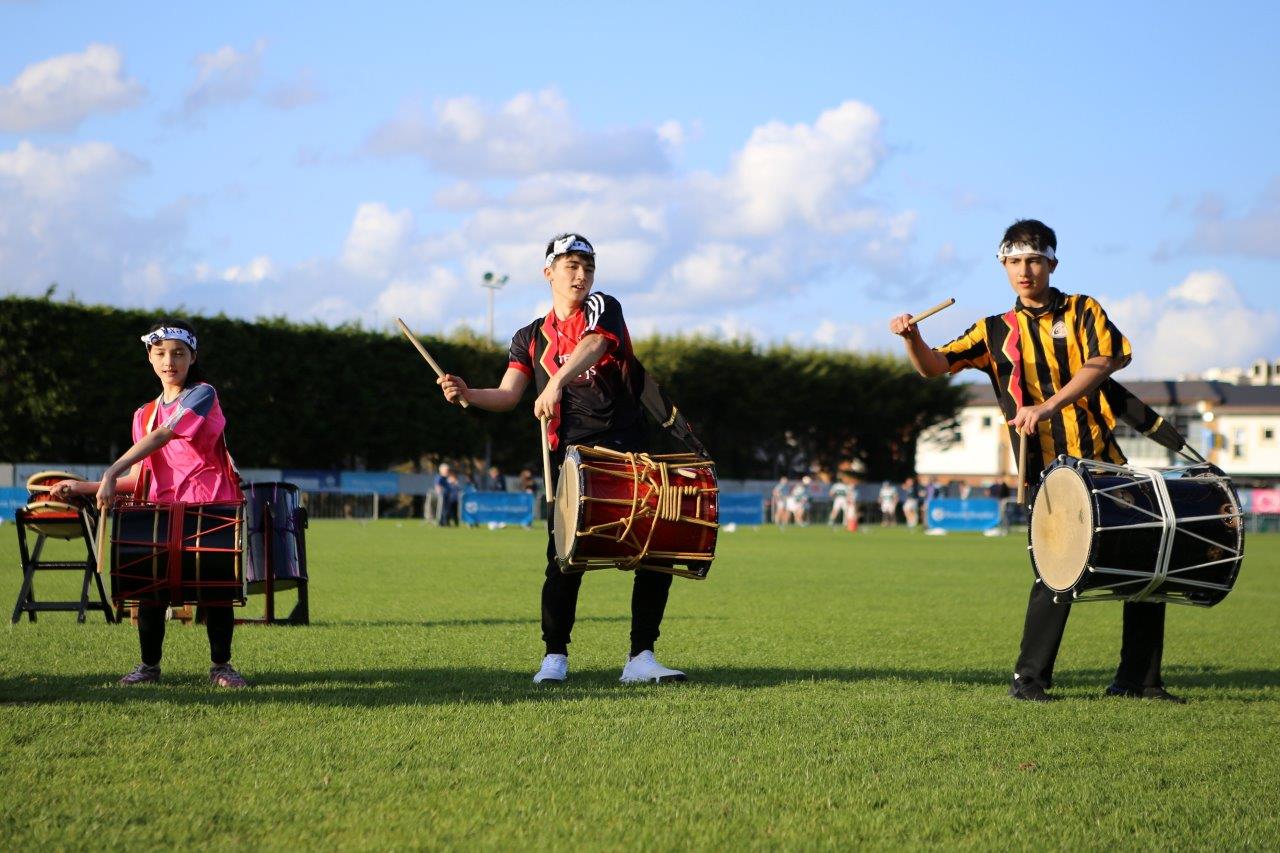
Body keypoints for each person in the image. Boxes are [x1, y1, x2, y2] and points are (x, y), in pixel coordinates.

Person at [889, 218, 1181, 703]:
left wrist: (1048, 405)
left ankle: (1138, 680)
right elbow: (934, 367)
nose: (1025, 270)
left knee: (1146, 563)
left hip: (1104, 461)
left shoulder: (1084, 310)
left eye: (1035, 260)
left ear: (1051, 264)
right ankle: (1030, 681)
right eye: (1016, 261)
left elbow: (1103, 362)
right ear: (1003, 265)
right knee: (1057, 571)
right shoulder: (993, 330)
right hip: (1045, 470)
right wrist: (911, 339)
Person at [436, 233, 706, 685]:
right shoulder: (528, 337)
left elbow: (596, 345)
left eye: (588, 266)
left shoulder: (603, 306)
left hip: (628, 447)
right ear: (549, 272)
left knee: (654, 551)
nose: (581, 275)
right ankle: (554, 657)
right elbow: (507, 394)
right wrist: (466, 394)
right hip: (572, 457)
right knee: (564, 557)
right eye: (571, 266)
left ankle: (641, 657)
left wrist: (556, 381)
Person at [51, 320, 247, 688]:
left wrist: (109, 471)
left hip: (208, 503)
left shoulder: (203, 393)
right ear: (150, 358)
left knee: (214, 588)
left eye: (178, 353)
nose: (169, 361)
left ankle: (222, 666)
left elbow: (165, 434)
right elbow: (140, 477)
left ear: (192, 358)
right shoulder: (142, 414)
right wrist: (83, 486)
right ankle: (149, 667)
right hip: (159, 507)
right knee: (149, 590)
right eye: (160, 354)